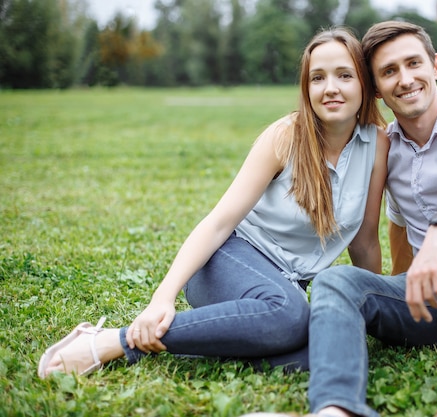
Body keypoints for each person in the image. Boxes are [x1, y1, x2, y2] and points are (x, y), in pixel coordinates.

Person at [240, 20, 437, 417]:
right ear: (377, 88)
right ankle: (337, 409)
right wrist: (396, 291)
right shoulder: (389, 149)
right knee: (335, 280)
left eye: (413, 64)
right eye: (389, 72)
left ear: (435, 65)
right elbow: (399, 229)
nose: (405, 79)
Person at [38, 27, 389, 379]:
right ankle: (113, 341)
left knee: (317, 350)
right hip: (227, 261)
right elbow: (219, 222)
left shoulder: (377, 145)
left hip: (283, 288)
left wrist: (371, 316)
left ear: (364, 83)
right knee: (290, 314)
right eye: (318, 77)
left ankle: (227, 338)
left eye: (344, 75)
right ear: (306, 87)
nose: (330, 88)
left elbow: (365, 242)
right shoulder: (285, 137)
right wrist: (163, 297)